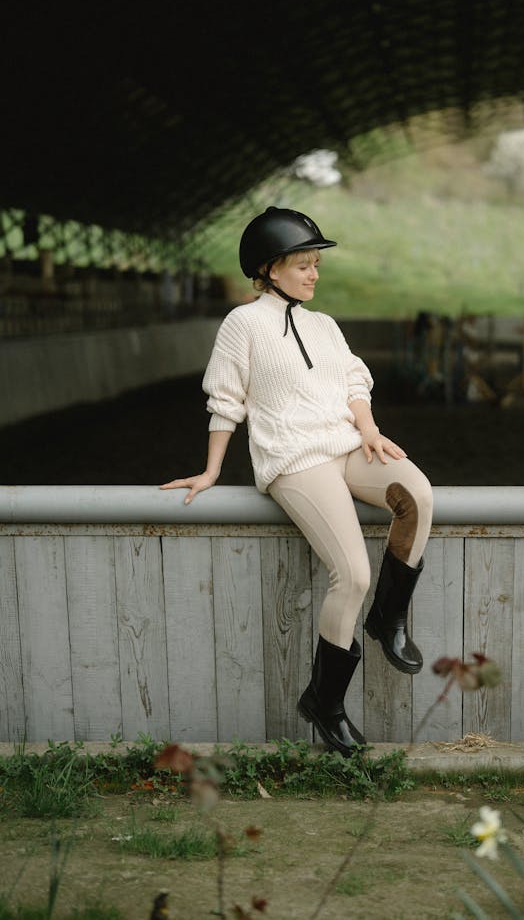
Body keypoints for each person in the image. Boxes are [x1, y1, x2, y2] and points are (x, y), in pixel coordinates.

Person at [161, 206, 433, 755]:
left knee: (418, 495)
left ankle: (388, 617)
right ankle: (326, 704)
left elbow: (355, 379)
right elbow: (226, 399)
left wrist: (370, 430)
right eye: (303, 264)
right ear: (270, 268)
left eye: (315, 264)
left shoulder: (324, 324)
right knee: (351, 573)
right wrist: (214, 468)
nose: (313, 273)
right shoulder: (243, 324)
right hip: (293, 458)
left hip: (346, 445)